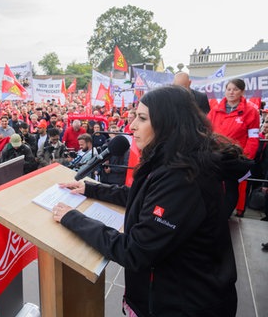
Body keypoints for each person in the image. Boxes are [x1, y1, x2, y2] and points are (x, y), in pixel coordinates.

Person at [52, 86, 244, 316]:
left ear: (169, 124)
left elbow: (135, 251)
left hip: (185, 305)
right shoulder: (172, 160)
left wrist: (72, 218)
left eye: (142, 118)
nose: (132, 125)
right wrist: (91, 190)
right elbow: (143, 195)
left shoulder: (183, 178)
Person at [208, 78, 259, 217]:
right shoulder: (215, 110)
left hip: (235, 157)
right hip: (216, 155)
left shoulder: (251, 111)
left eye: (235, 89)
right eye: (229, 89)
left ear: (242, 92)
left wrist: (246, 158)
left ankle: (225, 216)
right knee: (212, 185)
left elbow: (253, 138)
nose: (231, 92)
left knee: (231, 186)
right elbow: (206, 131)